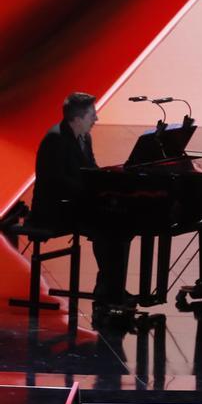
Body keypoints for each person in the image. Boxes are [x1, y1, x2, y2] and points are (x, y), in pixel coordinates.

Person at [29, 92, 132, 311]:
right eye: (91, 115)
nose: (96, 119)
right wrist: (91, 193)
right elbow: (56, 182)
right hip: (54, 210)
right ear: (76, 118)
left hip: (76, 203)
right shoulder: (55, 140)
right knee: (108, 225)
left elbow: (91, 171)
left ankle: (111, 287)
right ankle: (108, 289)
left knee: (121, 223)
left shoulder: (85, 137)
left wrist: (109, 184)